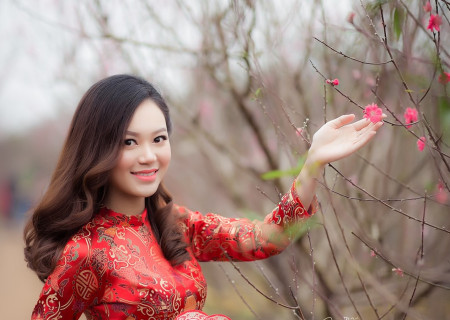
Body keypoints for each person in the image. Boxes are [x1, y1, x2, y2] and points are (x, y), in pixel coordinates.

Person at [24, 74, 384, 320]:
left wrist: (313, 163)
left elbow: (269, 237)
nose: (149, 155)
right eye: (129, 142)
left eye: (159, 139)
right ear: (97, 148)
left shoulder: (174, 223)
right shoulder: (86, 252)